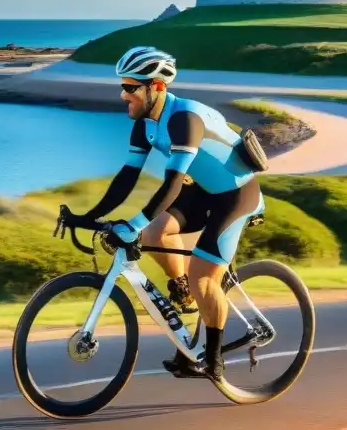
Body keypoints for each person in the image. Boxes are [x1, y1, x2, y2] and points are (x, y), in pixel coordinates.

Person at [64, 45, 268, 390]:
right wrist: (88, 217)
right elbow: (126, 180)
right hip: (204, 188)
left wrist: (132, 224)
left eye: (130, 87)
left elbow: (172, 184)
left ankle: (213, 361)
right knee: (155, 234)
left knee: (204, 276)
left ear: (156, 87)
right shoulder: (145, 125)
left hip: (236, 194)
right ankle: (183, 295)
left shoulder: (184, 120)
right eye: (123, 86)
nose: (122, 94)